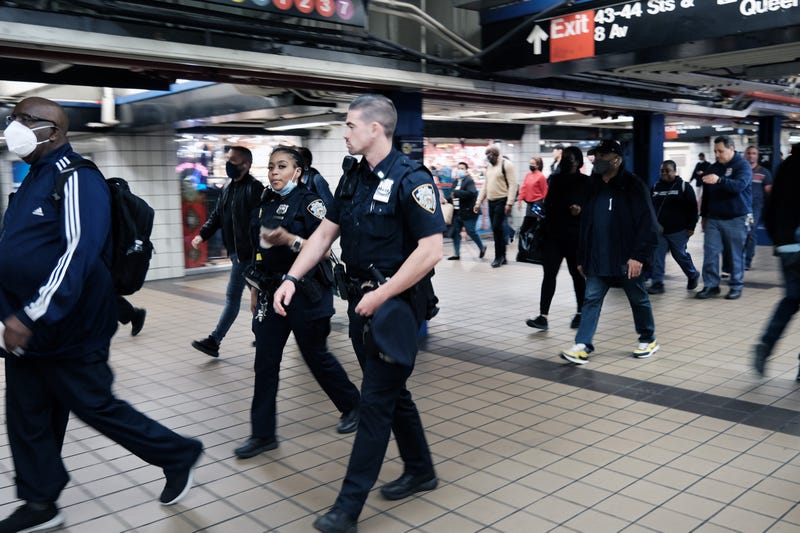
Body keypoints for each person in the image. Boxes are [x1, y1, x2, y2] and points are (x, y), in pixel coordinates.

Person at [0, 97, 202, 532]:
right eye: (13, 118)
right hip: (30, 330)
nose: (14, 126)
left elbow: (78, 254)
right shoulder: (32, 179)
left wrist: (28, 316)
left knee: (96, 406)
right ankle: (40, 503)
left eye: (25, 119)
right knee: (26, 412)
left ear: (53, 131)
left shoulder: (76, 179)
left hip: (69, 328)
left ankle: (177, 453)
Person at [271, 94, 443, 533]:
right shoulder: (352, 177)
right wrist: (291, 277)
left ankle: (348, 509)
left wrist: (384, 293)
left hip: (394, 309)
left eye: (349, 125)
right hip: (361, 305)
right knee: (392, 393)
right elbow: (325, 233)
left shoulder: (411, 178)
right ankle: (421, 470)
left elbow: (431, 250)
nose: (344, 132)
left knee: (375, 404)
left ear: (375, 129)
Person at [233, 146, 360, 460]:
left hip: (307, 293)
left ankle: (354, 407)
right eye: (272, 167)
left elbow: (326, 247)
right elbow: (257, 252)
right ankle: (263, 435)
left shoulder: (311, 203)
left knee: (316, 356)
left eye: (282, 166)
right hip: (270, 293)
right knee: (265, 362)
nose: (275, 172)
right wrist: (253, 289)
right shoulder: (265, 204)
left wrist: (291, 240)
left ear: (298, 172)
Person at [560, 140, 659, 365]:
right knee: (591, 299)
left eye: (603, 155)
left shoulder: (633, 185)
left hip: (626, 258)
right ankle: (582, 345)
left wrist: (639, 256)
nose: (598, 160)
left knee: (638, 299)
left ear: (617, 159)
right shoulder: (592, 186)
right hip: (597, 257)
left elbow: (648, 224)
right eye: (596, 155)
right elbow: (586, 224)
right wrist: (582, 257)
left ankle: (648, 338)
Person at [190, 146, 264, 357]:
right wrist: (202, 235)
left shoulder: (254, 189)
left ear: (246, 165)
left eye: (233, 160)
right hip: (236, 253)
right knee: (258, 297)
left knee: (234, 297)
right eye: (228, 160)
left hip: (247, 254)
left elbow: (260, 225)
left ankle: (215, 340)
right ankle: (263, 335)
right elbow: (217, 216)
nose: (228, 164)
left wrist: (258, 256)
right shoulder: (228, 188)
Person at [527, 146, 588, 330]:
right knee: (549, 275)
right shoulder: (554, 179)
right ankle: (542, 316)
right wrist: (541, 212)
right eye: (565, 158)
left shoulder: (586, 182)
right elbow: (549, 204)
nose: (567, 161)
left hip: (574, 236)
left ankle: (580, 313)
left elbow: (592, 208)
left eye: (570, 158)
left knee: (577, 275)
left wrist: (581, 210)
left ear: (578, 161)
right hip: (554, 234)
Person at [754, 148, 800, 378]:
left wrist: (779, 240)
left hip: (788, 247)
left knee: (791, 299)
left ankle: (766, 343)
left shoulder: (785, 166)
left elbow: (770, 208)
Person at [696, 136, 752, 301]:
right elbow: (707, 195)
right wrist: (704, 216)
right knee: (710, 252)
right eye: (715, 151)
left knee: (735, 254)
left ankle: (736, 286)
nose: (717, 154)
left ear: (731, 149)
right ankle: (711, 285)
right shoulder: (713, 167)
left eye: (720, 151)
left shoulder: (743, 166)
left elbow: (739, 186)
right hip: (714, 218)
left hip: (736, 218)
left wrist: (719, 180)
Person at [647, 160, 700, 295]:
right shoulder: (655, 187)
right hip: (660, 231)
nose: (664, 173)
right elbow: (649, 207)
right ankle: (657, 283)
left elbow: (693, 209)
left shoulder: (684, 186)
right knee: (657, 256)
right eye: (662, 171)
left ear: (675, 171)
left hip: (678, 231)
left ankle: (692, 274)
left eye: (667, 171)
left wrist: (691, 227)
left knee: (680, 255)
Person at [474, 144, 517, 268]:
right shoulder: (488, 167)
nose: (488, 158)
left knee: (497, 227)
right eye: (487, 156)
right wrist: (478, 202)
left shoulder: (506, 165)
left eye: (490, 155)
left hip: (502, 200)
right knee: (496, 229)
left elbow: (513, 185)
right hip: (491, 201)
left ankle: (499, 257)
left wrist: (509, 202)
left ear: (496, 155)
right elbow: (485, 186)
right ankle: (502, 256)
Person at [448, 161, 486, 260]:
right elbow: (452, 195)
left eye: (462, 168)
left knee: (471, 231)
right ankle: (456, 254)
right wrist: (447, 199)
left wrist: (456, 192)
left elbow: (471, 193)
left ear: (466, 170)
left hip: (468, 212)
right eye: (458, 168)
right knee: (455, 233)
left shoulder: (469, 180)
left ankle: (482, 247)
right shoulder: (455, 181)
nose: (460, 170)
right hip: (457, 212)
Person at [743, 145, 773, 270]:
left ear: (757, 156)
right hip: (740, 206)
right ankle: (738, 259)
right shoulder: (740, 170)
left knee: (751, 232)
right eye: (749, 153)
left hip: (755, 207)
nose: (751, 155)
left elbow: (769, 191)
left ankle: (747, 261)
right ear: (745, 155)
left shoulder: (764, 172)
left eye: (754, 153)